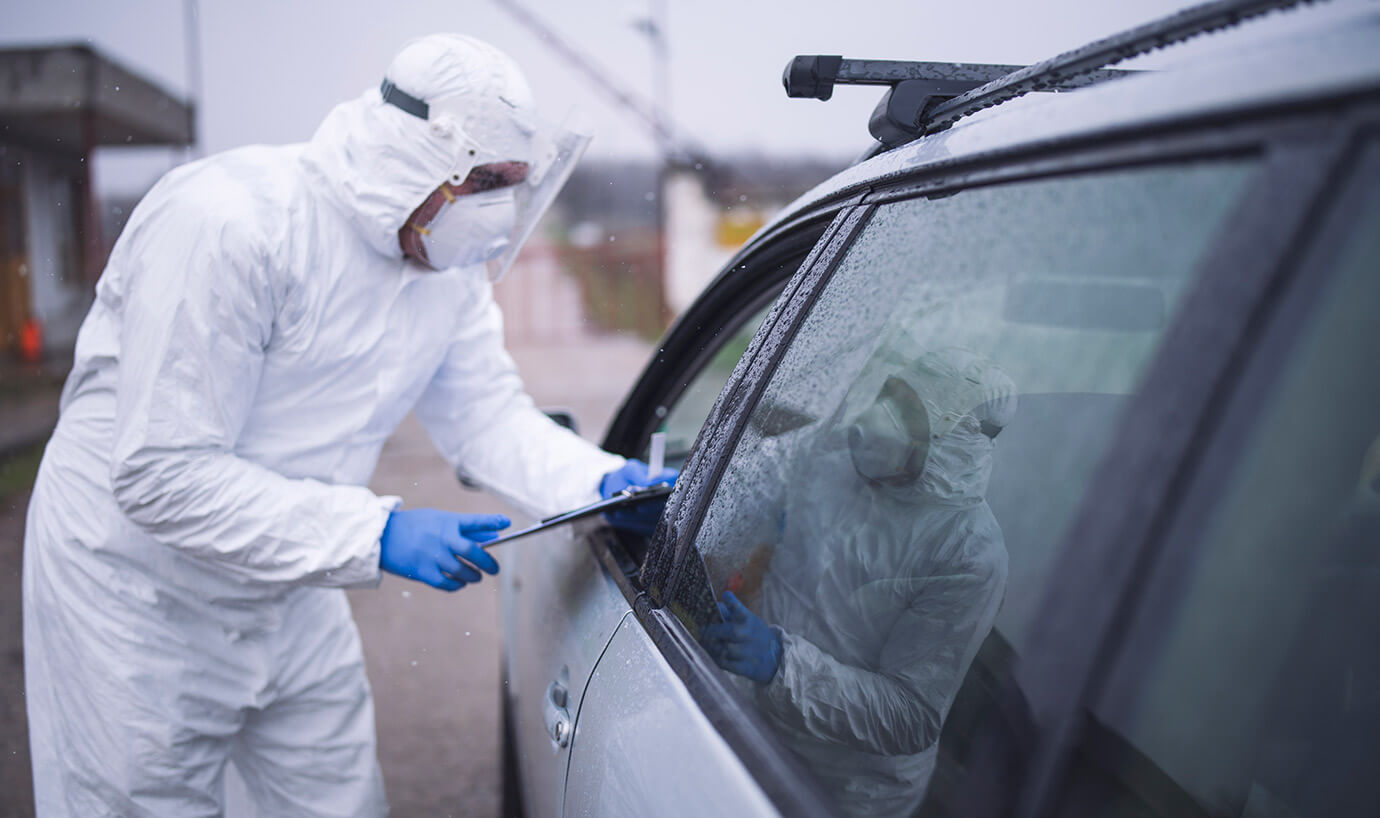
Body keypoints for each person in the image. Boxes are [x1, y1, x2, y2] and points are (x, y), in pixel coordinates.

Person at [22, 34, 670, 816]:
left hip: (292, 573)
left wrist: (595, 479)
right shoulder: (231, 225)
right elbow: (162, 476)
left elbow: (486, 416)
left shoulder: (449, 269)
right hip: (136, 590)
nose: (500, 208)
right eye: (485, 181)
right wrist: (376, 535)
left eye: (515, 183)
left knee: (338, 797)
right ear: (411, 159)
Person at [700, 345, 1016, 817]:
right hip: (753, 726)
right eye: (892, 394)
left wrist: (781, 665)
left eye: (909, 415)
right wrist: (687, 512)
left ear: (949, 446)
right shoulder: (842, 458)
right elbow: (768, 501)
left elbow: (909, 714)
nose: (878, 418)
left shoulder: (967, 554)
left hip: (842, 790)